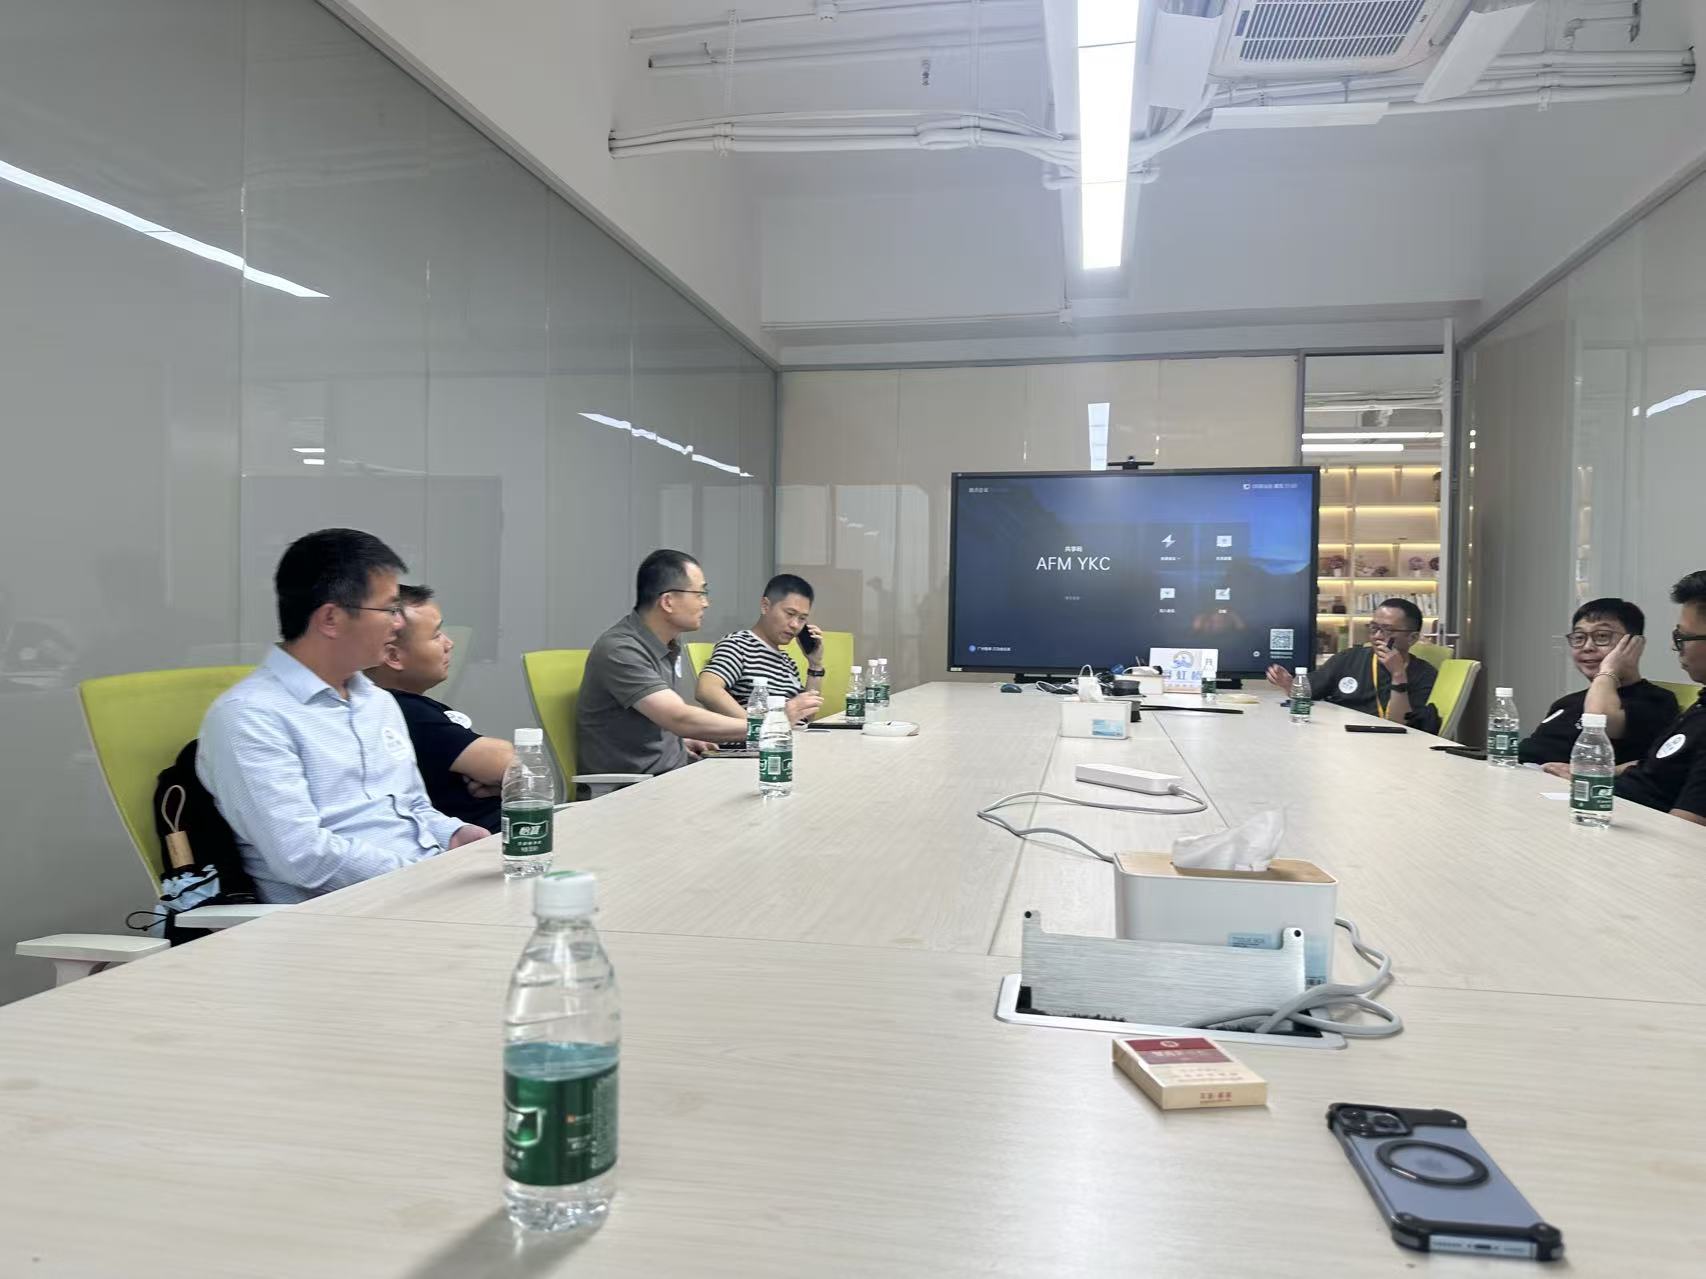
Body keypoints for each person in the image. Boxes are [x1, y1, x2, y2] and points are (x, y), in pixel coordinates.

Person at [198, 529, 487, 904]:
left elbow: (412, 807)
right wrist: (425, 875)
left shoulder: (377, 701)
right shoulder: (250, 717)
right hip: (342, 913)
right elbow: (303, 858)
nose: (399, 624)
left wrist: (456, 834)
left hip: (422, 888)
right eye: (388, 610)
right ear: (331, 619)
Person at [576, 549, 752, 778]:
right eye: (699, 594)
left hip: (672, 773)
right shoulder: (620, 649)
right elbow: (678, 717)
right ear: (668, 602)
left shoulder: (666, 645)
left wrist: (679, 742)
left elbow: (656, 720)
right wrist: (763, 727)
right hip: (634, 788)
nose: (706, 603)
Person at [365, 584, 512, 832]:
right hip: (482, 839)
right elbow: (506, 762)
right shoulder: (404, 711)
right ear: (393, 657)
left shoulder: (409, 705)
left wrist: (503, 779)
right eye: (436, 635)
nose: (449, 643)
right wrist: (503, 777)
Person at [1589, 571, 1706, 825]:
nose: (1676, 648)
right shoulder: (1701, 706)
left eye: (1681, 638)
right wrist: (1597, 772)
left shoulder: (1655, 700)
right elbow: (1662, 766)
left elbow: (1687, 830)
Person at [1519, 598, 1678, 766]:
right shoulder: (1566, 702)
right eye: (1579, 637)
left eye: (1602, 636)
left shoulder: (1657, 701)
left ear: (1635, 645)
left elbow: (1596, 721)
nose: (1587, 647)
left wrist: (1608, 670)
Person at [1266, 598, 1440, 732]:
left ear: (1412, 638)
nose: (1377, 636)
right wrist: (1288, 683)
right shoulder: (1349, 658)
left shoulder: (1425, 673)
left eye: (1387, 630)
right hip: (1339, 737)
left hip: (1390, 745)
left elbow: (1401, 725)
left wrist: (1398, 675)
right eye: (1373, 628)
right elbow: (1308, 692)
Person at [696, 573, 826, 724]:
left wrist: (815, 665)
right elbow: (707, 690)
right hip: (760, 738)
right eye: (790, 614)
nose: (795, 625)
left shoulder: (787, 662)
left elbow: (806, 717)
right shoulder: (738, 645)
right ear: (765, 606)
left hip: (795, 736)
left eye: (802, 618)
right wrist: (760, 726)